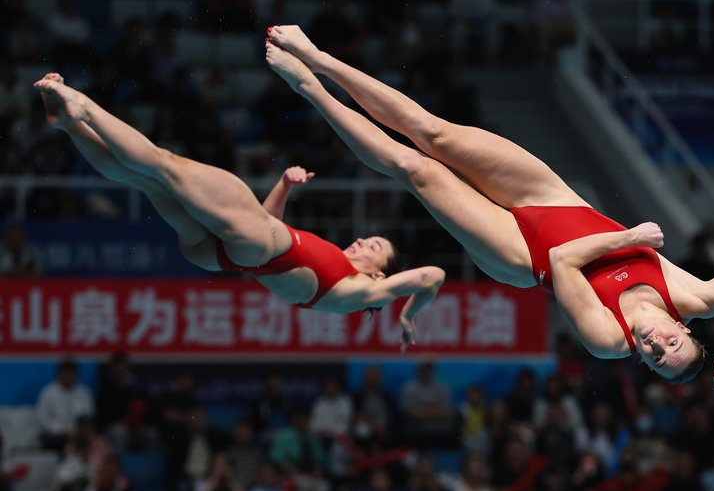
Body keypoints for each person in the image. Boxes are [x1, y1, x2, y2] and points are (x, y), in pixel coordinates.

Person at [264, 25, 714, 386]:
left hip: (521, 253)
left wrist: (628, 239)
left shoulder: (607, 340)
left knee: (416, 169)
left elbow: (562, 260)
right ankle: (318, 56)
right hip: (555, 200)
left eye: (656, 360)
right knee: (433, 132)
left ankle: (308, 87)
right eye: (672, 344)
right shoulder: (692, 297)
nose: (657, 345)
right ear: (683, 328)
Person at [33, 74, 445, 347]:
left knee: (162, 164)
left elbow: (433, 274)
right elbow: (266, 227)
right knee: (145, 179)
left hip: (250, 248)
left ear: (379, 272)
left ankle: (85, 109)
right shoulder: (335, 271)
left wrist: (407, 316)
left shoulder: (363, 292)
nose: (362, 240)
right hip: (225, 254)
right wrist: (283, 187)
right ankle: (69, 124)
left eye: (374, 245)